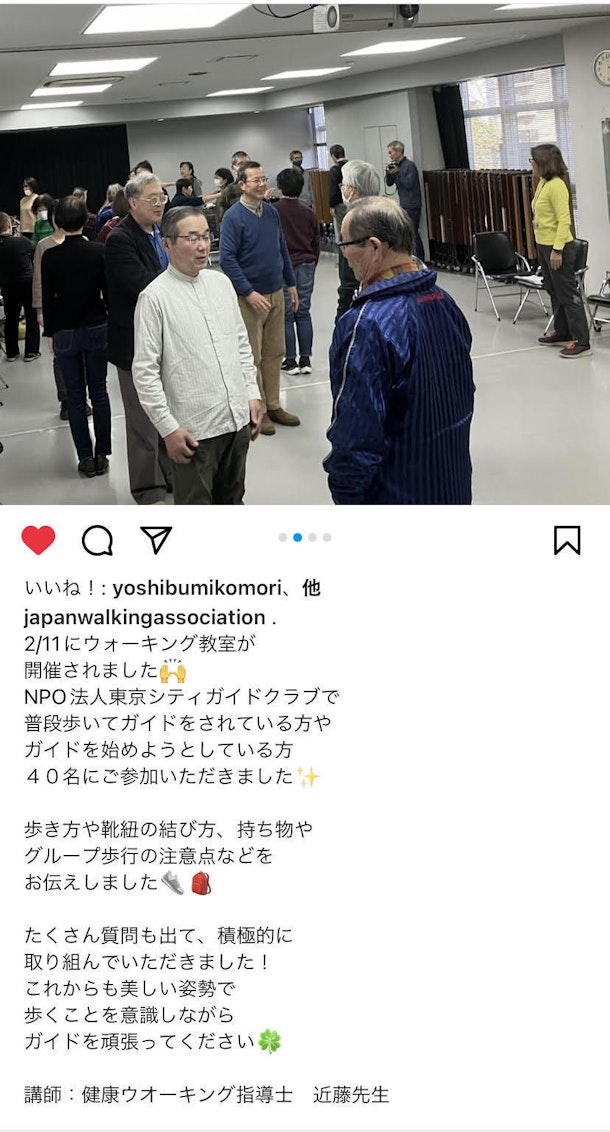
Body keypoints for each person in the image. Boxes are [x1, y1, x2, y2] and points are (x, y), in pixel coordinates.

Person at [324, 197, 474, 505]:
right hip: (452, 486)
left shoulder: (366, 325)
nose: (344, 255)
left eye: (345, 244)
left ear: (374, 247)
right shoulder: (445, 302)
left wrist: (346, 497)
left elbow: (356, 435)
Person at [132, 207, 263, 505]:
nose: (203, 245)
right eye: (192, 238)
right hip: (194, 431)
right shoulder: (154, 298)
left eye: (206, 236)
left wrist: (252, 393)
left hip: (236, 420)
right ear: (167, 244)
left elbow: (241, 344)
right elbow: (145, 373)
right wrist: (168, 429)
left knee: (233, 501)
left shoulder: (221, 284)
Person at [105, 171, 174, 504]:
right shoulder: (120, 239)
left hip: (165, 337)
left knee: (167, 411)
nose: (160, 204)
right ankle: (148, 489)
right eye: (152, 199)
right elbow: (143, 284)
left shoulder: (161, 231)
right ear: (133, 203)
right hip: (134, 343)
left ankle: (170, 475)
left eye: (162, 197)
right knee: (142, 420)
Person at [219, 161, 300, 436]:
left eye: (264, 179)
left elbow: (281, 248)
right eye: (256, 180)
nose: (262, 184)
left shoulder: (272, 213)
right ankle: (260, 410)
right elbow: (227, 260)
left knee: (275, 352)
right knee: (252, 356)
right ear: (242, 185)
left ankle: (274, 404)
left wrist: (291, 283)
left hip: (276, 291)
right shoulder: (233, 217)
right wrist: (248, 292)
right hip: (250, 297)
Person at [41, 195, 111, 478]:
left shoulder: (50, 256)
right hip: (97, 326)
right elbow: (108, 292)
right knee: (100, 392)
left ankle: (84, 457)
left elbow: (48, 298)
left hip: (65, 330)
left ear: (57, 221)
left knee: (76, 398)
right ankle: (102, 453)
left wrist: (50, 332)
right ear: (86, 219)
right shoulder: (98, 251)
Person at [531, 143, 591, 359]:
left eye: (534, 161)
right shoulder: (543, 183)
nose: (532, 165)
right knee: (553, 289)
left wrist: (557, 250)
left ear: (544, 162)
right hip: (544, 244)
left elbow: (564, 220)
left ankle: (582, 341)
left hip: (558, 247)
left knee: (567, 293)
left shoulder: (556, 185)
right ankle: (563, 331)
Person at [274, 167, 320, 374]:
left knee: (286, 314)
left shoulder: (273, 211)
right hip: (306, 262)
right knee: (303, 312)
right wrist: (312, 262)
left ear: (280, 187)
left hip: (284, 266)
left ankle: (290, 360)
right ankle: (306, 360)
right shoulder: (308, 212)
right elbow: (316, 241)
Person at [334, 158, 381, 322]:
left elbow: (348, 280)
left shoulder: (351, 222)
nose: (342, 188)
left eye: (343, 185)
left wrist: (341, 317)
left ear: (352, 190)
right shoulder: (387, 214)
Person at [0, 211, 40, 361]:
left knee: (11, 318)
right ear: (9, 225)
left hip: (7, 285)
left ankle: (12, 353)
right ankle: (31, 352)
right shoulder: (22, 241)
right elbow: (36, 253)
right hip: (27, 283)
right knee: (31, 317)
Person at [384, 140, 425, 261]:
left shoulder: (409, 166)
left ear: (398, 151)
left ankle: (420, 260)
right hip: (404, 204)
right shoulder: (396, 166)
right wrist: (388, 173)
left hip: (412, 205)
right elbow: (389, 184)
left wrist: (398, 173)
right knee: (407, 234)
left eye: (391, 152)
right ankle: (410, 259)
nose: (389, 155)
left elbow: (409, 184)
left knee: (413, 233)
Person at [328, 144, 348, 239]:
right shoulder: (352, 167)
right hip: (353, 201)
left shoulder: (334, 170)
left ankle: (344, 247)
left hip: (340, 203)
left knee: (342, 228)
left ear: (333, 156)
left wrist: (331, 206)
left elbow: (333, 189)